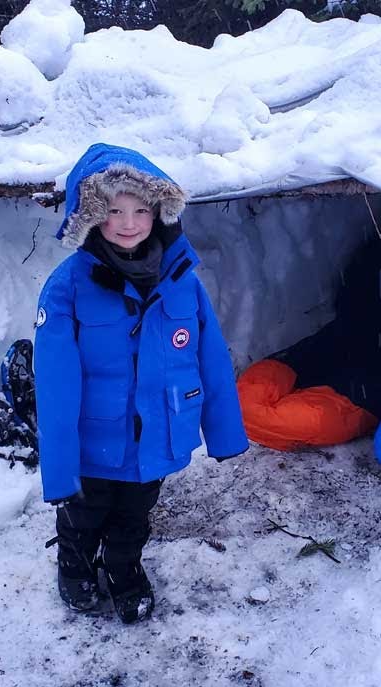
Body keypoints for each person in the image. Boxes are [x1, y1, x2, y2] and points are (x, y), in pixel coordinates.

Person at [33, 143, 249, 623]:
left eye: (140, 210)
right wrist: (61, 466)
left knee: (134, 518)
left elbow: (210, 358)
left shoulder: (181, 280)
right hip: (94, 444)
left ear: (158, 213)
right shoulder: (67, 286)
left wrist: (225, 432)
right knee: (84, 516)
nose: (127, 223)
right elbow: (55, 385)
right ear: (91, 215)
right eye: (112, 210)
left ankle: (124, 570)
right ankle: (75, 566)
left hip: (155, 438)